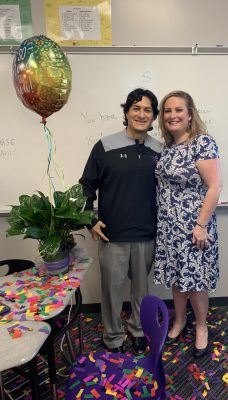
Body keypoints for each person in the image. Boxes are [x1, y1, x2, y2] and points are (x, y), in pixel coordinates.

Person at [80, 88, 161, 354]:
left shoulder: (160, 151)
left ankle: (137, 330)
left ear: (153, 116)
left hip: (147, 234)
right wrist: (89, 220)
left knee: (141, 290)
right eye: (136, 108)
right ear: (126, 112)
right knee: (112, 292)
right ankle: (113, 336)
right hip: (112, 235)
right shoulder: (105, 146)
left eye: (147, 110)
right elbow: (85, 186)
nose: (141, 114)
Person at [153, 90, 222, 359]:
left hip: (195, 227)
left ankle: (201, 327)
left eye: (178, 110)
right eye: (167, 111)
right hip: (169, 226)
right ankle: (180, 321)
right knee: (177, 277)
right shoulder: (167, 147)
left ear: (190, 114)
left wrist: (201, 225)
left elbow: (215, 187)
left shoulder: (202, 143)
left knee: (195, 281)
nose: (172, 115)